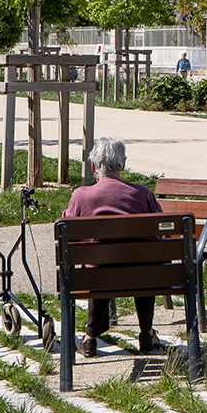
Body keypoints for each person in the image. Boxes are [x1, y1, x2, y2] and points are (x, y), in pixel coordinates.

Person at [61, 137, 163, 356]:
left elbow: (68, 234)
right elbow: (160, 230)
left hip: (97, 276)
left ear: (93, 166)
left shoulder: (80, 196)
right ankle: (146, 333)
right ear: (123, 165)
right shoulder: (143, 194)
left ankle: (89, 339)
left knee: (99, 266)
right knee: (142, 260)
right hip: (144, 277)